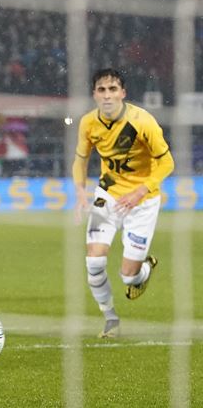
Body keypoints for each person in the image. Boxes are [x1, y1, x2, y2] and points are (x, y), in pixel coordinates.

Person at [72, 68, 174, 338]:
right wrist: (81, 191)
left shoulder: (143, 121)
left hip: (143, 202)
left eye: (113, 89)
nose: (107, 95)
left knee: (128, 276)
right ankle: (110, 319)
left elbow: (167, 162)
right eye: (102, 90)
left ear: (123, 93)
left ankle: (144, 270)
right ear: (94, 94)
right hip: (108, 196)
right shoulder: (88, 123)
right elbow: (81, 159)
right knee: (93, 261)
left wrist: (141, 191)